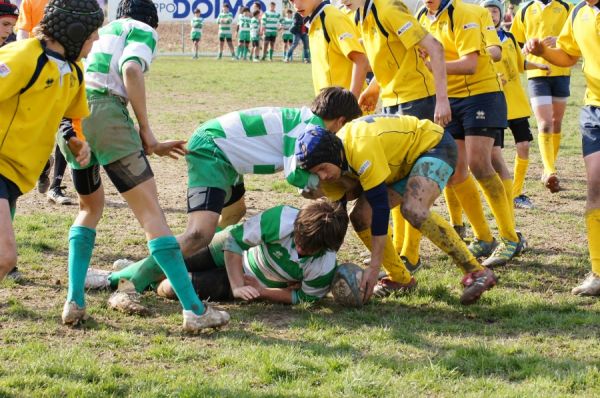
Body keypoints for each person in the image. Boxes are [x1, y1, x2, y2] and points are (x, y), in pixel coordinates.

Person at [82, 87, 362, 313]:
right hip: (214, 150)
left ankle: (144, 266)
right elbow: (295, 177)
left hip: (229, 160)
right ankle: (126, 282)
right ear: (340, 122)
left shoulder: (303, 121)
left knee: (232, 215)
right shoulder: (307, 129)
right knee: (198, 235)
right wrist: (329, 188)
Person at [58, 0, 230, 332]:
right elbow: (131, 69)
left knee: (89, 208)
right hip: (107, 113)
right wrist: (147, 131)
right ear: (152, 21)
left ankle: (75, 300)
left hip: (73, 117)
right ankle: (194, 309)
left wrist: (144, 140)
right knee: (152, 215)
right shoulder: (141, 29)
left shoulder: (101, 32)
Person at [295, 115, 499, 305]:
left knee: (413, 209)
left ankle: (477, 271)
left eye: (322, 168)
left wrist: (374, 268)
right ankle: (400, 278)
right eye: (315, 173)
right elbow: (337, 223)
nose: (321, 176)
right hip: (399, 166)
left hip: (432, 146)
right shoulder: (331, 171)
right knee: (359, 217)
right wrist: (318, 272)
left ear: (333, 154)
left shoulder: (361, 147)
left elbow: (380, 209)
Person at [341, 0, 451, 280]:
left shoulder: (387, 7)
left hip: (418, 100)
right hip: (393, 103)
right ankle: (403, 252)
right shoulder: (361, 16)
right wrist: (374, 88)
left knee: (412, 186)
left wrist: (442, 100)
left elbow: (435, 48)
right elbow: (390, 57)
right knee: (396, 182)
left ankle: (410, 255)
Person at [0, 0, 101, 282]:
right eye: (93, 34)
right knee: (4, 257)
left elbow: (70, 115)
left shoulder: (74, 71)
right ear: (76, 31)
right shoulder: (21, 57)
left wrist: (76, 140)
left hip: (17, 175)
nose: (97, 40)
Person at [86, 201, 349, 307]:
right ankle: (109, 279)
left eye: (309, 249)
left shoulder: (325, 265)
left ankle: (141, 270)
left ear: (327, 248)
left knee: (168, 288)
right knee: (171, 257)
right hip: (229, 253)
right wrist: (236, 283)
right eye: (299, 240)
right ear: (297, 225)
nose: (301, 249)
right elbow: (234, 242)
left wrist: (261, 290)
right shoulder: (282, 218)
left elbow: (302, 297)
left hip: (247, 284)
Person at [417, 0, 520, 267]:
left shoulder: (465, 12)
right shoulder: (423, 17)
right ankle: (484, 237)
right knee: (456, 171)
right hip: (451, 98)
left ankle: (510, 238)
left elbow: (470, 64)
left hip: (482, 95)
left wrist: (433, 65)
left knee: (480, 165)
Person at [522, 0, 600, 295]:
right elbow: (567, 55)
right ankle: (598, 271)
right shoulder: (578, 12)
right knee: (596, 188)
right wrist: (543, 52)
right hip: (594, 109)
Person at [483, 0, 550, 210]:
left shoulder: (510, 37)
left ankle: (517, 193)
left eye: (495, 11)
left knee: (524, 146)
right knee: (496, 154)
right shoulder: (480, 38)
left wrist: (537, 64)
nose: (492, 15)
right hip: (494, 103)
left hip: (516, 103)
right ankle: (501, 191)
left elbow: (519, 63)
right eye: (488, 12)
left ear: (501, 14)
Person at [511, 0, 572, 193]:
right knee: (545, 124)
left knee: (557, 123)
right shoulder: (524, 10)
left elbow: (576, 40)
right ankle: (549, 170)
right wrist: (527, 49)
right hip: (537, 75)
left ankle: (549, 169)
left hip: (561, 72)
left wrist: (560, 42)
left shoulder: (567, 7)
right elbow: (514, 47)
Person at [290, 0, 370, 98]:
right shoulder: (314, 21)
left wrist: (350, 105)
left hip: (346, 109)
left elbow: (361, 61)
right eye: (291, 0)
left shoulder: (332, 18)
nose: (296, 5)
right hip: (329, 106)